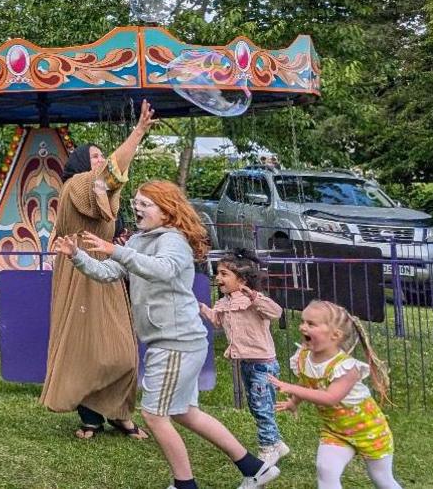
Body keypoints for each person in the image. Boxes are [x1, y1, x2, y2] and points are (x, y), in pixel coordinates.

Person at [52, 180, 279, 489]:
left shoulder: (173, 240)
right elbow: (109, 274)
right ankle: (254, 467)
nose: (137, 207)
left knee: (155, 415)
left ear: (166, 210)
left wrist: (115, 249)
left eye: (146, 203)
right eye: (137, 202)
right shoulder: (138, 240)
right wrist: (77, 255)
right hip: (171, 341)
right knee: (185, 413)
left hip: (177, 343)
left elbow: (162, 270)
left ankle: (185, 484)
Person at [41, 101, 156, 441]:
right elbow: (110, 172)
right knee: (85, 345)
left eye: (101, 155)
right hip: (77, 267)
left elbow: (113, 178)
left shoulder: (100, 188)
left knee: (121, 348)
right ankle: (90, 416)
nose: (100, 160)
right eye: (94, 155)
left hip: (105, 264)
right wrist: (137, 132)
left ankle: (120, 412)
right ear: (79, 163)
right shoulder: (75, 185)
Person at [269, 300, 400, 489]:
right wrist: (294, 402)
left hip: (369, 430)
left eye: (311, 324)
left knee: (382, 479)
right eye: (303, 321)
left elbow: (331, 398)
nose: (302, 327)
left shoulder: (346, 368)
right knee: (325, 471)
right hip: (335, 431)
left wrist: (292, 389)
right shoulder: (304, 357)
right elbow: (306, 381)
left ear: (335, 335)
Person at [198, 250, 289, 465]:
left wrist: (255, 298)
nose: (218, 278)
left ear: (242, 279)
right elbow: (218, 322)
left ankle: (268, 447)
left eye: (223, 274)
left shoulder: (253, 300)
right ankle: (277, 444)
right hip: (247, 364)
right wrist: (201, 308)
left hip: (263, 364)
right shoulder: (226, 302)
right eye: (217, 274)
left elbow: (276, 312)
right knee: (257, 405)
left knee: (261, 406)